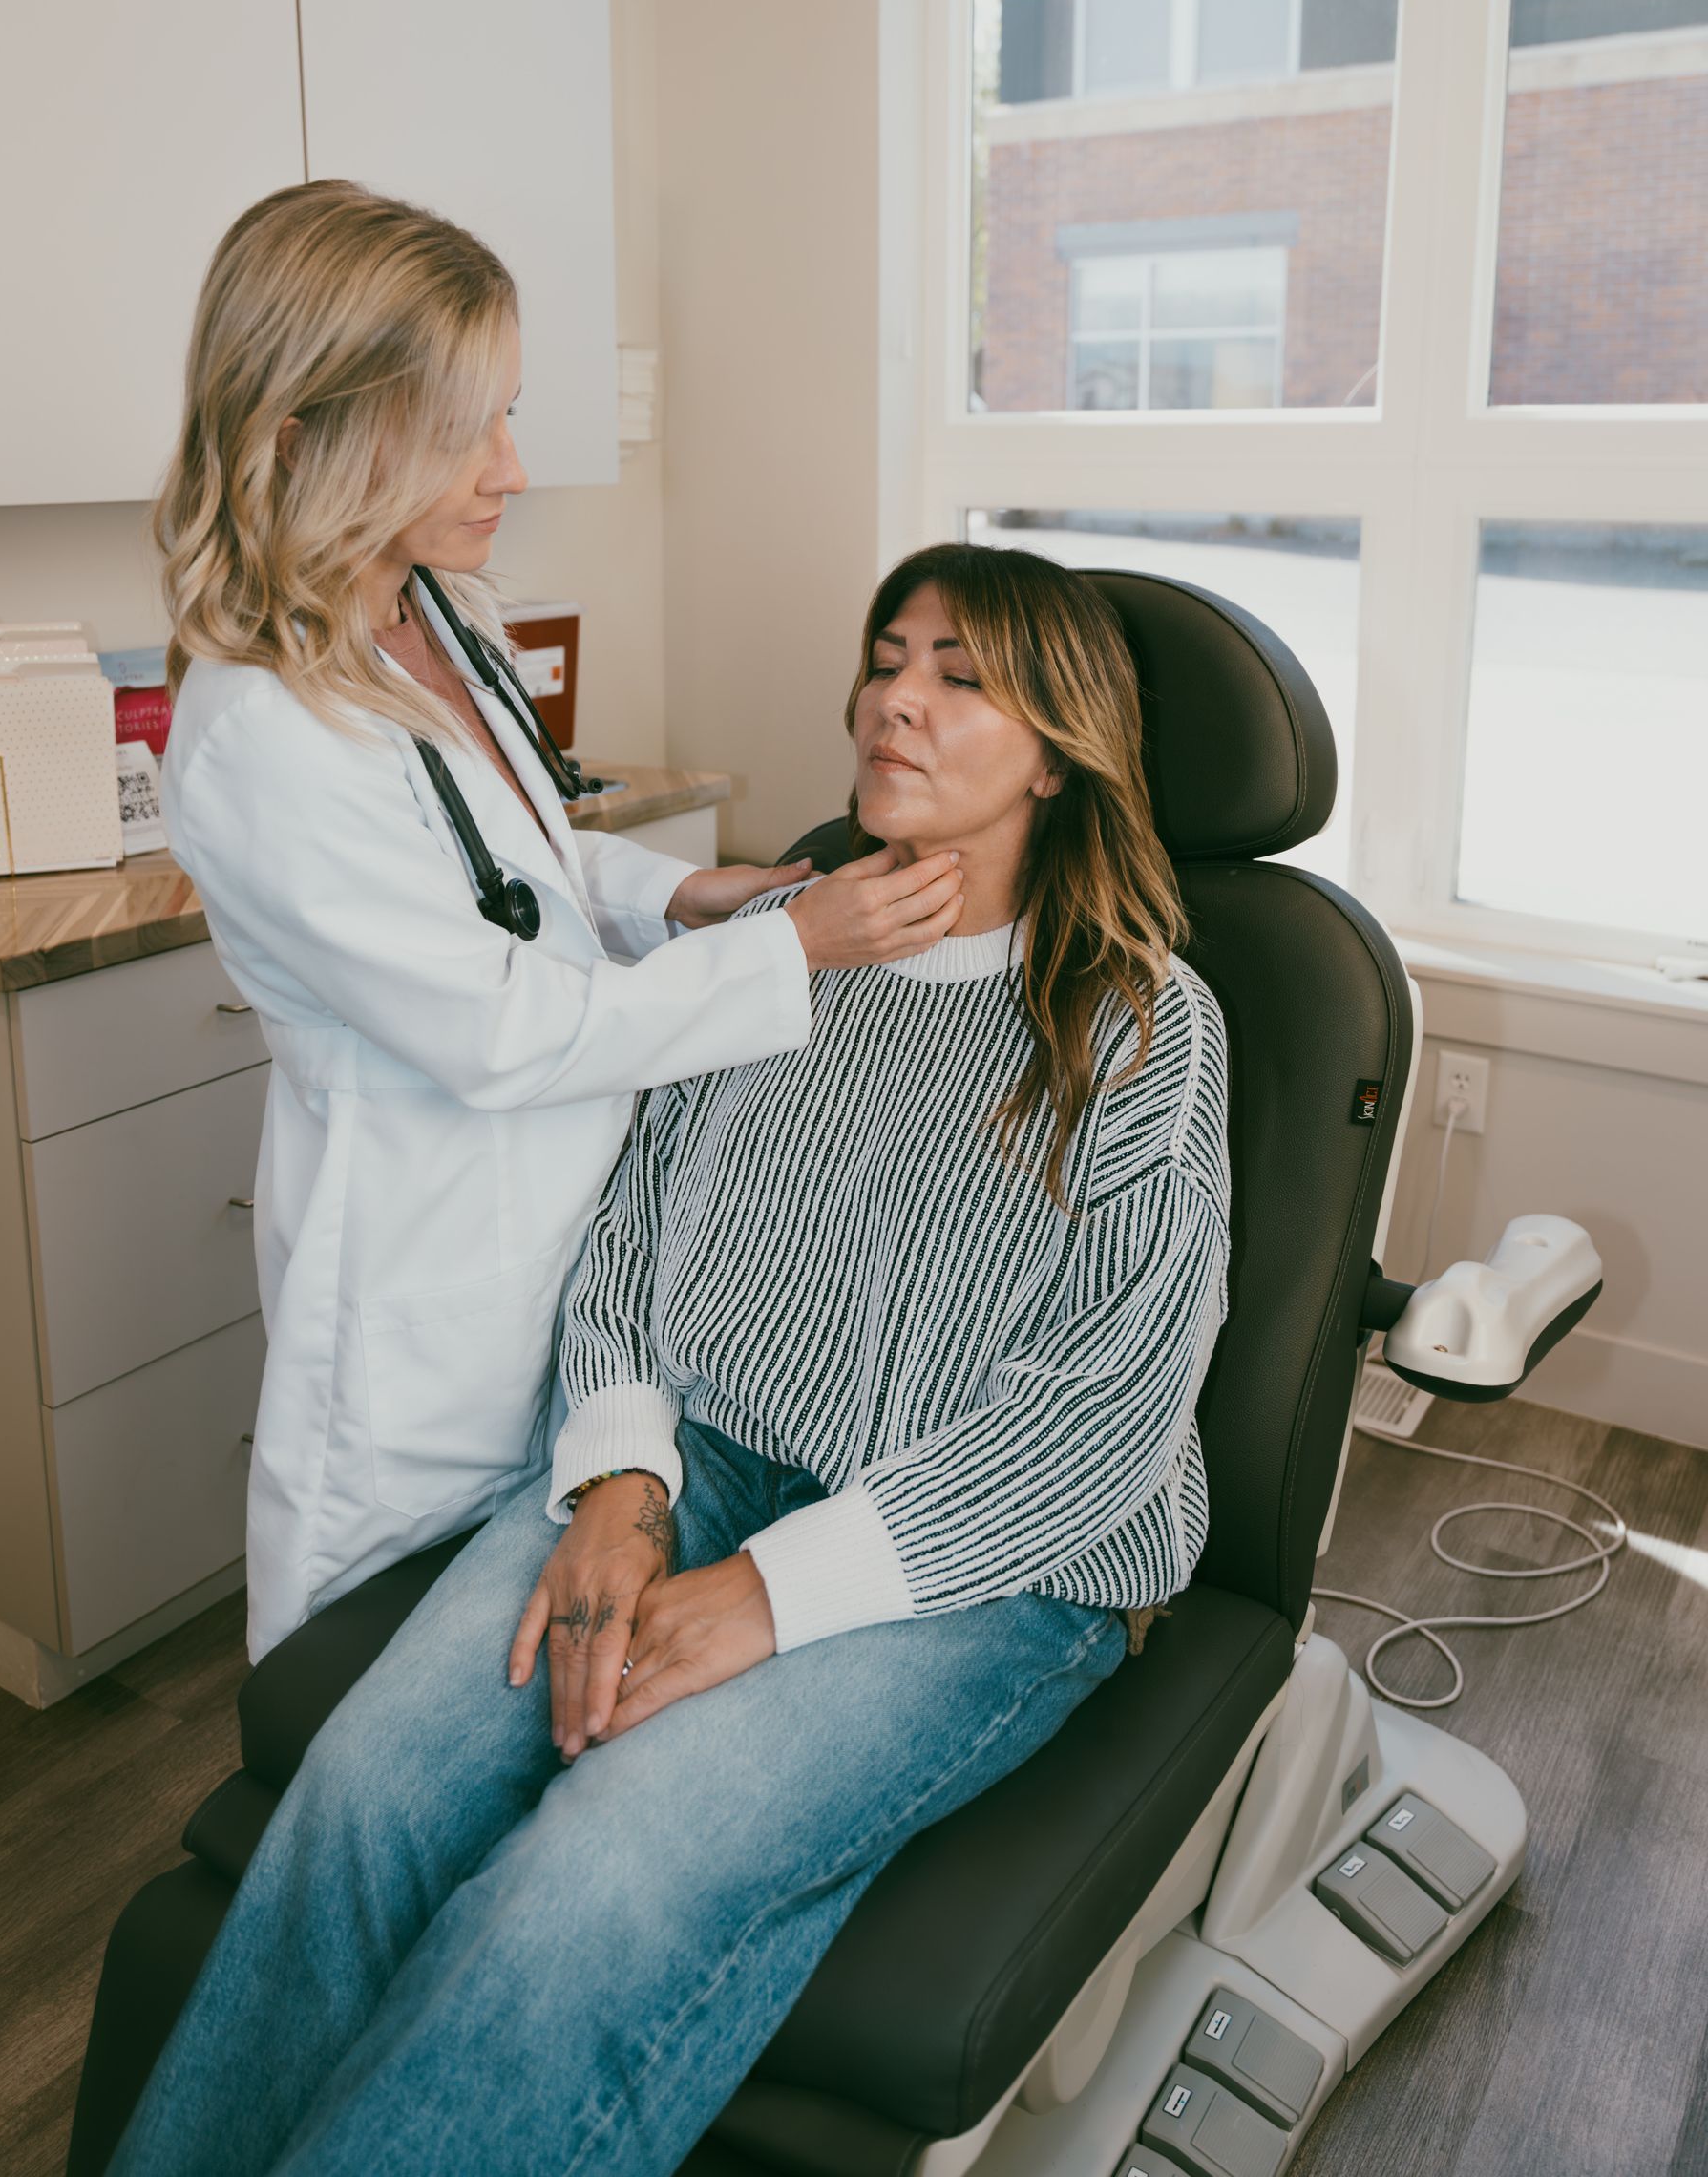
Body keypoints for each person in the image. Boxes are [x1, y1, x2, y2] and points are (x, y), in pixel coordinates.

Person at [110, 542, 1231, 2177]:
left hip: (990, 1565)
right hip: (696, 1463)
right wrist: (627, 1483)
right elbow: (628, 1231)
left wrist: (776, 1590)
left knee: (601, 1877)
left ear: (1059, 750)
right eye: (887, 658)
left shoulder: (1143, 1025)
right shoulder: (790, 945)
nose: (894, 700)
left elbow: (1105, 1420)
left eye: (962, 677)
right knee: (361, 1792)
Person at [154, 182, 965, 1659]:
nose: (511, 470)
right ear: (304, 433)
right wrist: (794, 946)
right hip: (431, 1316)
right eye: (468, 430)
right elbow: (507, 1026)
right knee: (386, 1700)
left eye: (508, 416)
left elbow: (511, 871)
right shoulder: (257, 733)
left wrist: (696, 892)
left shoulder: (431, 611)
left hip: (589, 1290)